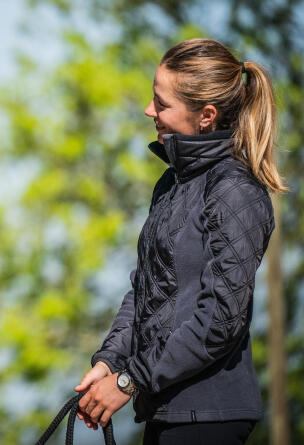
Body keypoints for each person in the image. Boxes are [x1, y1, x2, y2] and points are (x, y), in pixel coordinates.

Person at [73, 38, 284, 444]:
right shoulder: (171, 183)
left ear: (206, 116)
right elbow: (145, 290)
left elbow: (222, 319)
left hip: (209, 416)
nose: (149, 111)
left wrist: (130, 379)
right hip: (165, 408)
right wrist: (111, 361)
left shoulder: (235, 191)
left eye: (162, 103)